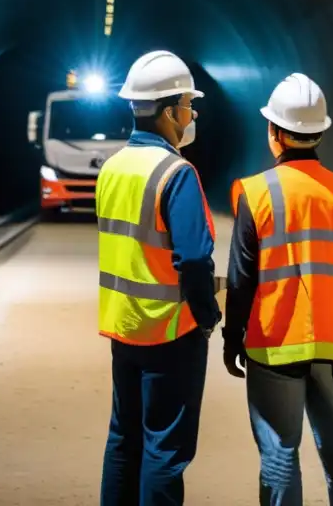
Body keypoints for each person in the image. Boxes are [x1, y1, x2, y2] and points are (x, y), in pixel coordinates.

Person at [222, 73, 333, 506]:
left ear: (274, 133)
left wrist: (232, 339)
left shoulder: (257, 193)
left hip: (275, 347)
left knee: (279, 450)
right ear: (322, 132)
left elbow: (241, 279)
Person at [97, 49, 222, 506]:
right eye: (189, 104)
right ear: (170, 112)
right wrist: (207, 317)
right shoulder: (177, 173)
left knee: (123, 440)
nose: (192, 114)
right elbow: (193, 260)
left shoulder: (111, 169)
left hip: (123, 327)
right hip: (170, 333)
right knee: (165, 450)